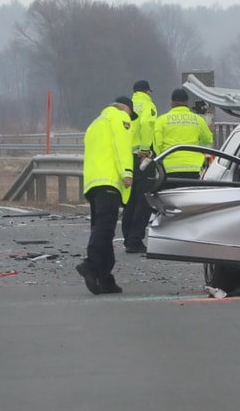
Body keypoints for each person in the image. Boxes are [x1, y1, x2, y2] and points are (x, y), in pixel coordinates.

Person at [76, 96, 136, 295]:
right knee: (105, 227)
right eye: (131, 114)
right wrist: (127, 171)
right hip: (110, 181)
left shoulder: (95, 124)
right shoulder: (119, 118)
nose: (131, 119)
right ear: (124, 108)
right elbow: (122, 147)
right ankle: (91, 265)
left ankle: (105, 278)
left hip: (94, 183)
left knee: (102, 227)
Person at [122, 79, 157, 253]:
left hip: (127, 157)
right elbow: (146, 125)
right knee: (144, 199)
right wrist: (145, 149)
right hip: (142, 156)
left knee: (130, 199)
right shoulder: (148, 106)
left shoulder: (127, 106)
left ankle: (128, 237)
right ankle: (135, 240)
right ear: (147, 91)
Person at [154, 88, 214, 187]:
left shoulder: (161, 120)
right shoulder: (198, 120)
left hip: (169, 168)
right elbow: (208, 140)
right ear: (187, 102)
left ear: (172, 103)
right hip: (194, 168)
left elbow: (158, 145)